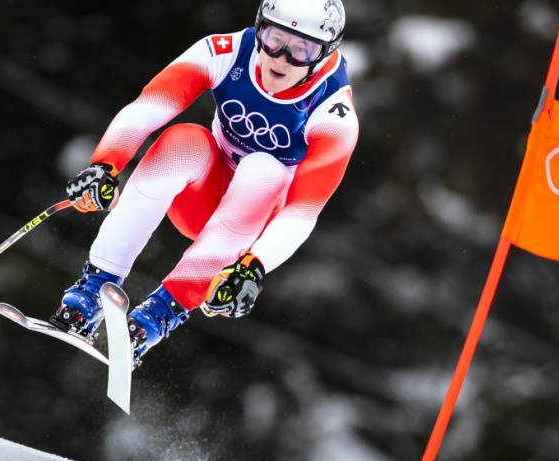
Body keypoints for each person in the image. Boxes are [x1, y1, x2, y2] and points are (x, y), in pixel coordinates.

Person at [52, 0, 358, 366]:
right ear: (259, 27)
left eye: (301, 50)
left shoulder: (333, 113)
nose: (280, 59)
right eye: (274, 38)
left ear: (324, 54)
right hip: (200, 198)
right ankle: (92, 291)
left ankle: (157, 316)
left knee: (264, 169)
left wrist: (254, 266)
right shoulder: (226, 51)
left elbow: (303, 210)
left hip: (251, 227)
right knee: (183, 139)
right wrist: (105, 164)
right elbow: (150, 105)